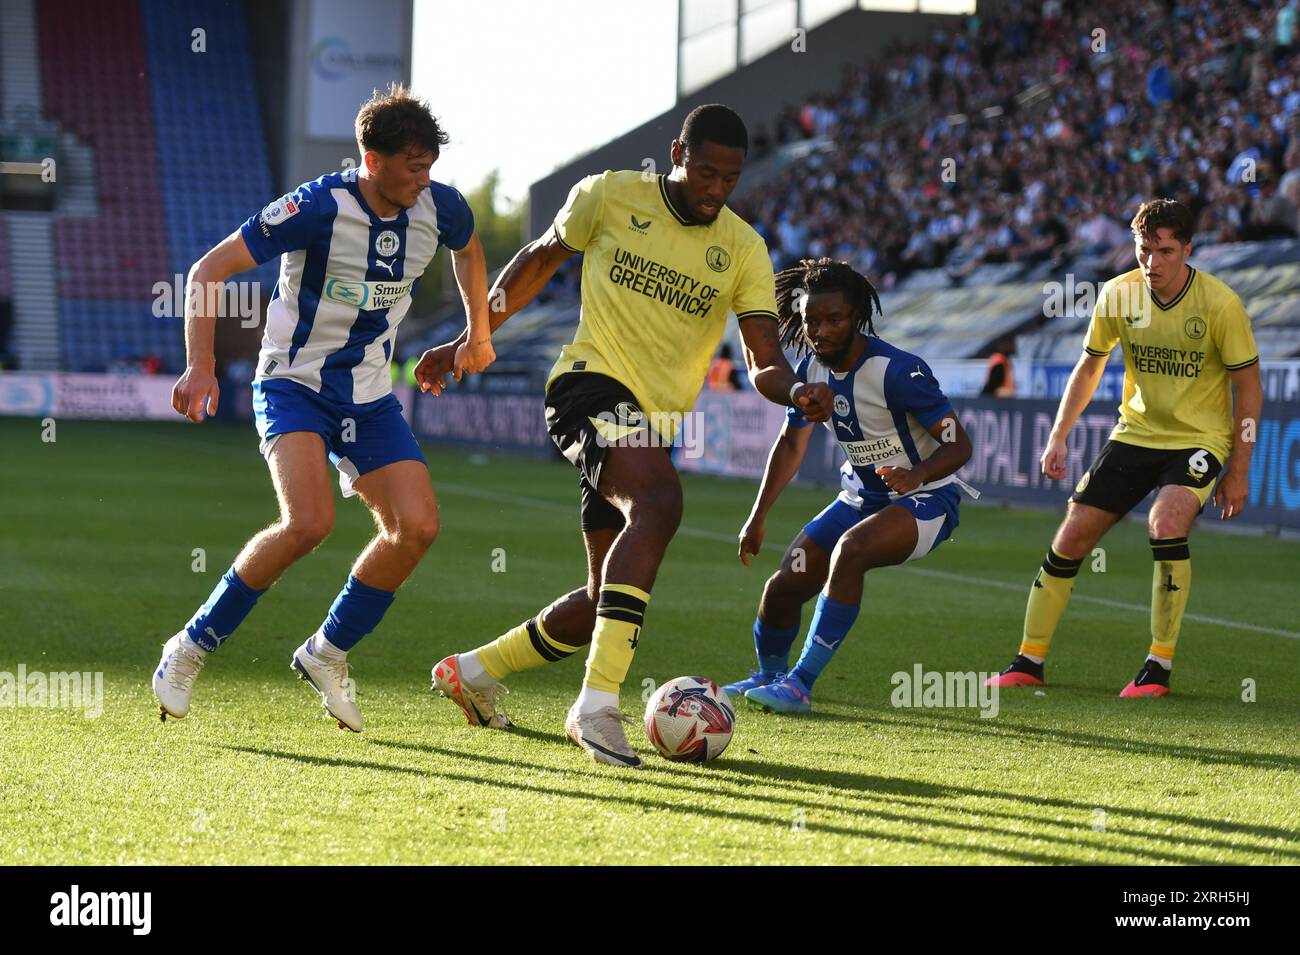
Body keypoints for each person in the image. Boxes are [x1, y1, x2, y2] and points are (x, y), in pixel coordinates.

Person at [420, 104, 835, 767]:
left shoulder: (743, 247)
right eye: (705, 171)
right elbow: (537, 260)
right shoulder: (609, 195)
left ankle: (472, 670)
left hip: (648, 427)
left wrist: (797, 390)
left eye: (729, 178)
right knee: (661, 504)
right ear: (676, 153)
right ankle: (596, 706)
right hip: (586, 387)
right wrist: (472, 338)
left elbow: (763, 358)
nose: (715, 189)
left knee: (600, 599)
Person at [153, 84, 494, 731]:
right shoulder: (316, 206)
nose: (425, 181)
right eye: (412, 167)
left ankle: (327, 651)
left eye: (430, 166)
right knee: (308, 523)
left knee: (417, 527)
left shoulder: (438, 206)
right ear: (373, 161)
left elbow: (471, 248)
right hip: (294, 384)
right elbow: (206, 271)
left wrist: (478, 332)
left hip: (367, 394)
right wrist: (199, 364)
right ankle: (190, 646)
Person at [987, 198, 1262, 697]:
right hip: (1134, 434)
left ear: (1187, 250)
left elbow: (1250, 387)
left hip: (1199, 440)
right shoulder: (1118, 294)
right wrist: (1058, 434)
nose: (1152, 262)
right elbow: (1089, 367)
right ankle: (1028, 660)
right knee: (1070, 539)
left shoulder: (1220, 304)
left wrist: (1239, 467)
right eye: (1143, 250)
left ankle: (1157, 666)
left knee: (1166, 522)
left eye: (1165, 251)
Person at [722, 258, 973, 713]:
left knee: (850, 551)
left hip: (926, 500)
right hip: (859, 498)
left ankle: (799, 685)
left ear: (855, 316)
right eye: (811, 321)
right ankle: (769, 676)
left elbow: (959, 445)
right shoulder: (809, 372)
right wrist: (757, 517)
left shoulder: (898, 371)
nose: (820, 331)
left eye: (833, 319)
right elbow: (791, 445)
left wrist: (915, 475)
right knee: (783, 585)